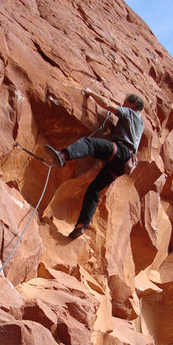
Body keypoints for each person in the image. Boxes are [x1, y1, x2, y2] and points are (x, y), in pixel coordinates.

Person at [45, 89, 145, 238]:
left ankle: (63, 155)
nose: (122, 105)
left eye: (125, 103)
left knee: (88, 143)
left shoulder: (129, 113)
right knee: (94, 190)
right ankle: (82, 225)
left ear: (133, 104)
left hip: (119, 151)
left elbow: (108, 104)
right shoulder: (141, 123)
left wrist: (90, 93)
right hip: (124, 165)